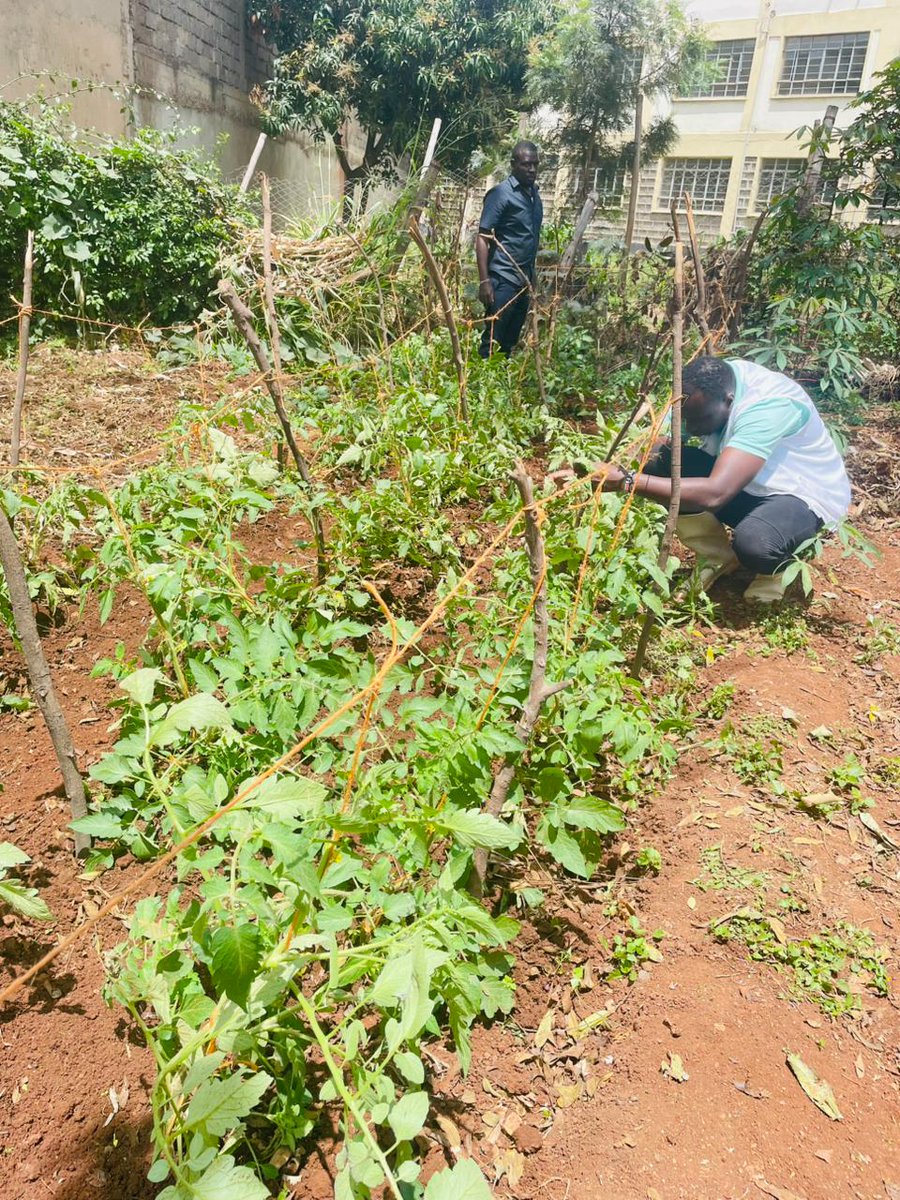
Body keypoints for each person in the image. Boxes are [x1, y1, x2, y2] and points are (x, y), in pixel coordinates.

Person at [559, 355, 852, 603]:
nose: (690, 427)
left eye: (697, 421)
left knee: (754, 543)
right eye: (685, 418)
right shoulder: (703, 385)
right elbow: (655, 446)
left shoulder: (768, 408)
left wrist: (626, 482)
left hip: (801, 496)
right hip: (748, 482)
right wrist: (589, 471)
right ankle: (717, 556)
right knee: (663, 462)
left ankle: (777, 568)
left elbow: (716, 493)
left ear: (729, 401)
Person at [476, 141, 543, 359]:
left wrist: (532, 277)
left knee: (509, 341)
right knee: (493, 339)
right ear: (513, 164)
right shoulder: (501, 194)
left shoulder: (534, 196)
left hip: (524, 281)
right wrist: (484, 282)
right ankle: (481, 386)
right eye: (526, 165)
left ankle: (500, 386)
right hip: (503, 279)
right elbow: (483, 238)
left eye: (535, 164)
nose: (532, 169)